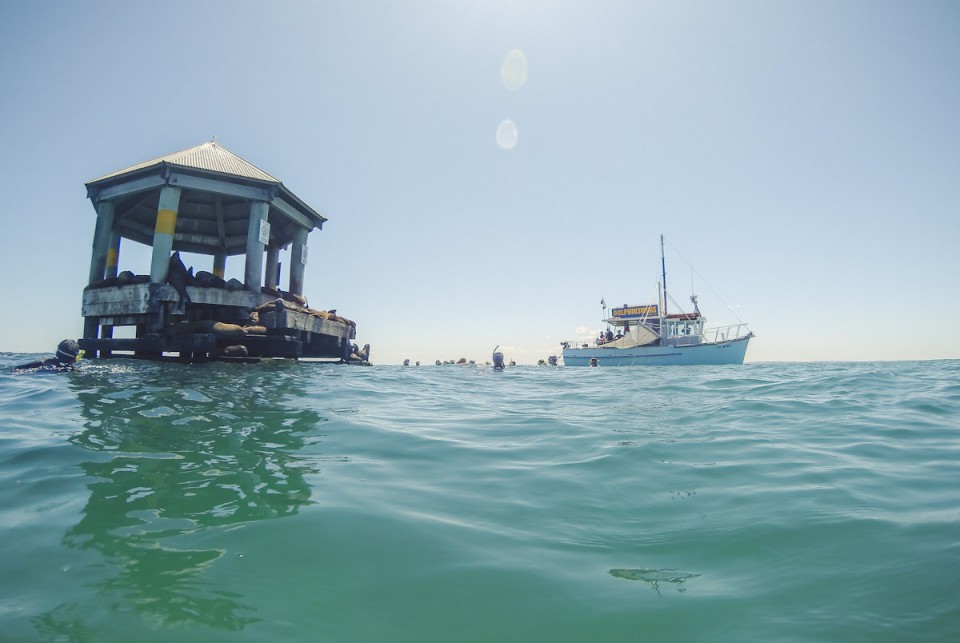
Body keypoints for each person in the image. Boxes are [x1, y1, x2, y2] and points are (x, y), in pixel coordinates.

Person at [14, 339, 82, 372]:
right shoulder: (71, 369)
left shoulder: (43, 361)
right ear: (75, 358)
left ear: (57, 351)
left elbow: (15, 370)